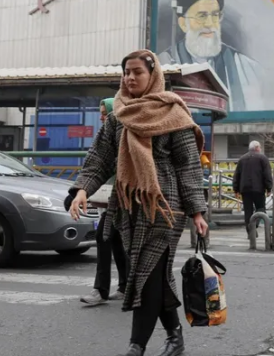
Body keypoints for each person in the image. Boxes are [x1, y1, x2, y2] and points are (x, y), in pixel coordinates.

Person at [68, 49, 209, 356]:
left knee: (146, 273)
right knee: (152, 274)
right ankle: (175, 337)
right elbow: (99, 159)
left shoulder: (173, 112)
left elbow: (188, 165)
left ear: (153, 75)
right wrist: (82, 190)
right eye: (126, 72)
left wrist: (197, 211)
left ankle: (136, 347)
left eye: (137, 72)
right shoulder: (117, 116)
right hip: (128, 206)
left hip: (165, 206)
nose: (130, 77)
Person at [157, 0, 263, 112]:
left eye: (215, 15)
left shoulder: (246, 67)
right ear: (183, 23)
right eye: (202, 16)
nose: (209, 24)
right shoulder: (162, 64)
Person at [79, 98, 129, 306]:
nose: (102, 117)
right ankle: (119, 287)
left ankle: (112, 289)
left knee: (108, 237)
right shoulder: (108, 134)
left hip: (130, 198)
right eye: (101, 113)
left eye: (105, 113)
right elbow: (97, 164)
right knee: (110, 237)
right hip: (116, 199)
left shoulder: (125, 130)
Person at [233, 140, 273, 234]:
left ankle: (250, 231)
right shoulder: (263, 158)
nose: (260, 149)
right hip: (258, 189)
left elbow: (237, 175)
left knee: (248, 211)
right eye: (260, 147)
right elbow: (267, 174)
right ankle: (253, 225)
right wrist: (269, 188)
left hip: (245, 189)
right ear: (257, 148)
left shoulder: (242, 159)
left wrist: (236, 189)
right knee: (261, 208)